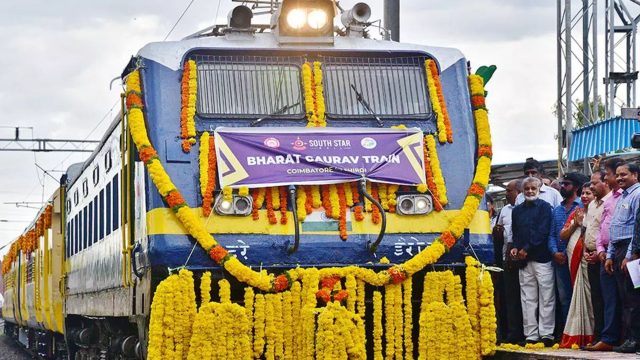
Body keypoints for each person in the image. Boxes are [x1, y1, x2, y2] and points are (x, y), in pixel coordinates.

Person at [585, 157, 624, 352]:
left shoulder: (627, 196)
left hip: (622, 252)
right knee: (607, 299)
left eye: (607, 175)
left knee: (626, 299)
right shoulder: (611, 199)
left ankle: (624, 338)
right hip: (607, 254)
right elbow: (604, 228)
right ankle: (607, 337)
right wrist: (602, 251)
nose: (609, 179)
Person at [511, 176, 555, 346]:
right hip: (523, 261)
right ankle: (530, 334)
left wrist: (526, 248)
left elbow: (542, 232)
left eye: (533, 188)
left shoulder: (545, 208)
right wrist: (515, 247)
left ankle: (547, 334)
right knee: (528, 298)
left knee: (547, 297)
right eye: (527, 188)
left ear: (538, 189)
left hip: (541, 258)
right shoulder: (517, 210)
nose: (530, 191)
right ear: (522, 191)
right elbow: (515, 233)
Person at [604, 162, 640, 353]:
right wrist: (610, 254)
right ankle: (630, 339)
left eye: (623, 175)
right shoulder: (621, 197)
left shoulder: (638, 194)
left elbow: (637, 228)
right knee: (625, 298)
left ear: (635, 175)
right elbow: (614, 228)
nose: (619, 178)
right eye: (617, 175)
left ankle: (635, 340)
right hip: (618, 250)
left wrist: (630, 255)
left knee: (633, 298)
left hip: (630, 250)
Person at [549, 172, 589, 338]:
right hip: (559, 260)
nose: (563, 186)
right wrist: (555, 252)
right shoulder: (557, 209)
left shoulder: (582, 207)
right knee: (564, 299)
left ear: (577, 187)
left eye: (567, 184)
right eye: (562, 183)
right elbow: (551, 234)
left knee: (580, 297)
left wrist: (568, 252)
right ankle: (568, 335)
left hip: (578, 259)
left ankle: (582, 333)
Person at [559, 182, 595, 348]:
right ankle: (579, 333)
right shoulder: (577, 212)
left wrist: (583, 224)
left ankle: (593, 334)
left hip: (590, 260)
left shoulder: (596, 212)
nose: (585, 196)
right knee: (577, 295)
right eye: (583, 193)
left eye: (589, 193)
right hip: (575, 261)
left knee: (591, 297)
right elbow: (562, 235)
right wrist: (576, 223)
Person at [580, 170, 609, 345]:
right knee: (595, 300)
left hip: (604, 256)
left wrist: (599, 253)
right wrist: (585, 250)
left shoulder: (610, 202)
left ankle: (609, 337)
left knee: (608, 299)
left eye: (595, 183)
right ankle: (598, 337)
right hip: (590, 255)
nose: (591, 186)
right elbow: (587, 229)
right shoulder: (592, 204)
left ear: (605, 182)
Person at [495, 179, 524, 344]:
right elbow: (500, 235)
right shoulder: (504, 210)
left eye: (508, 191)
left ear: (518, 192)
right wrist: (497, 232)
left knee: (526, 298)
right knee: (510, 297)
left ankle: (528, 333)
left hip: (523, 257)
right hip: (507, 259)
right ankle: (513, 333)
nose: (506, 194)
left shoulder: (524, 208)